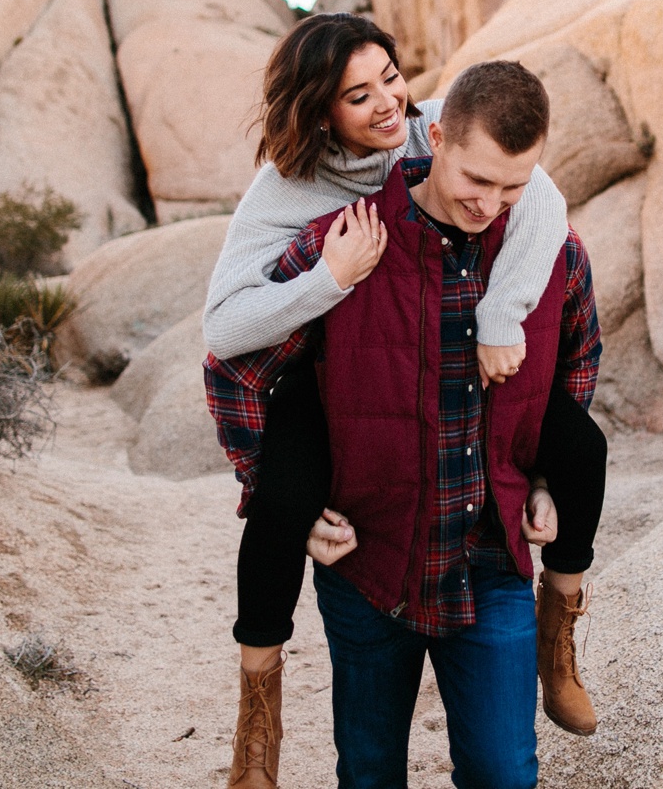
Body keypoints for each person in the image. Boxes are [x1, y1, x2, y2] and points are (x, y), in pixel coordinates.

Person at [206, 58, 605, 788]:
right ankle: (256, 717)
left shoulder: (553, 250)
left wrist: (546, 472)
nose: (492, 203)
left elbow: (579, 357)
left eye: (514, 186)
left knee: (504, 777)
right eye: (475, 180)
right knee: (368, 776)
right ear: (438, 137)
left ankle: (561, 638)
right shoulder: (346, 241)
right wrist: (276, 491)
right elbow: (235, 365)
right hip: (370, 563)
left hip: (493, 560)